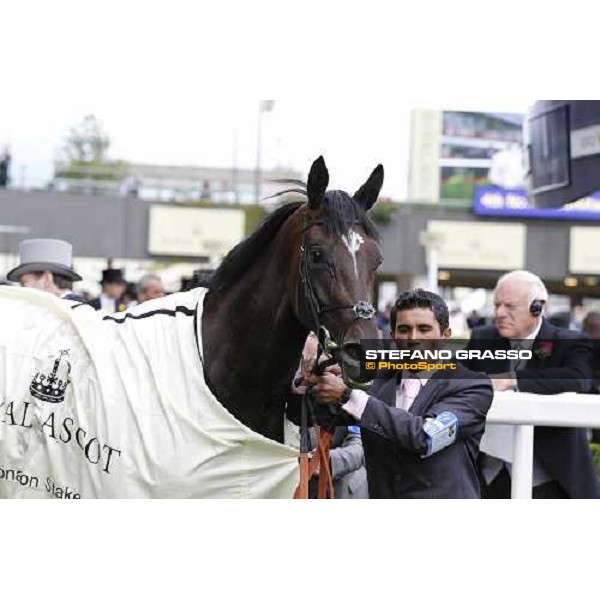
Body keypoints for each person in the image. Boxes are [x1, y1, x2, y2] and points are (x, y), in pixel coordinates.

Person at [310, 289, 494, 499]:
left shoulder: (472, 385)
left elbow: (424, 437)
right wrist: (315, 383)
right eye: (404, 329)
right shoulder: (374, 378)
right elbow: (323, 416)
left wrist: (346, 395)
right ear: (393, 336)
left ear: (445, 335)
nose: (413, 338)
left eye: (424, 329)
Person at [463, 270, 599, 499]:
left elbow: (579, 378)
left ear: (537, 308)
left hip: (550, 477)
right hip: (487, 475)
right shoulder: (483, 336)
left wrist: (511, 379)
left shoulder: (568, 341)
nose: (499, 313)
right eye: (496, 305)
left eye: (509, 306)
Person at [285, 332, 369, 499]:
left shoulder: (344, 387)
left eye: (312, 360)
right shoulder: (281, 392)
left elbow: (362, 443)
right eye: (302, 361)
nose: (306, 368)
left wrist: (329, 462)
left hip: (341, 491)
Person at [6, 238, 83, 300]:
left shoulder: (65, 312)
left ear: (47, 278)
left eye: (24, 283)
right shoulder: (76, 309)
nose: (22, 289)